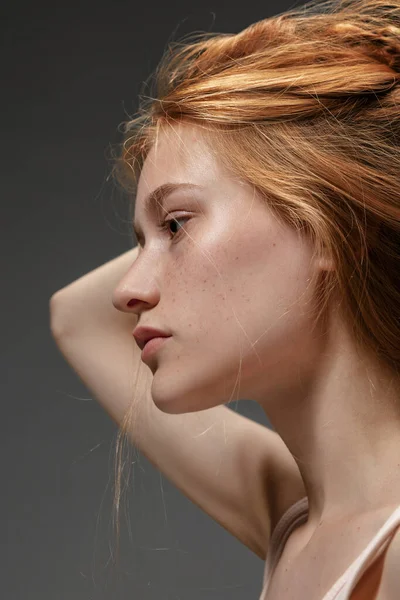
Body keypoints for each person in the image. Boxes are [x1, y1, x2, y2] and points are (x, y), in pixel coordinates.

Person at [50, 0, 400, 598]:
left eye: (178, 227)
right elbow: (75, 317)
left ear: (325, 228)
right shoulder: (297, 520)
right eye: (140, 240)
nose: (129, 290)